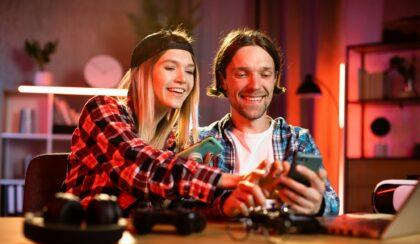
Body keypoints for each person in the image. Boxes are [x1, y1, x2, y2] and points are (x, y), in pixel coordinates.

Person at [62, 28, 268, 217]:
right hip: (89, 243)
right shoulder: (102, 109)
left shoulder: (175, 142)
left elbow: (184, 205)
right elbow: (138, 164)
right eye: (170, 68)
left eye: (189, 71)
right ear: (141, 73)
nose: (182, 79)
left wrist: (227, 202)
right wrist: (233, 179)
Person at [199, 28, 339, 218]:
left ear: (275, 79)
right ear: (223, 79)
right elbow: (178, 206)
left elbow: (332, 202)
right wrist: (223, 206)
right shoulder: (201, 141)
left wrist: (319, 205)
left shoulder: (298, 139)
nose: (255, 85)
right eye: (242, 74)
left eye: (265, 74)